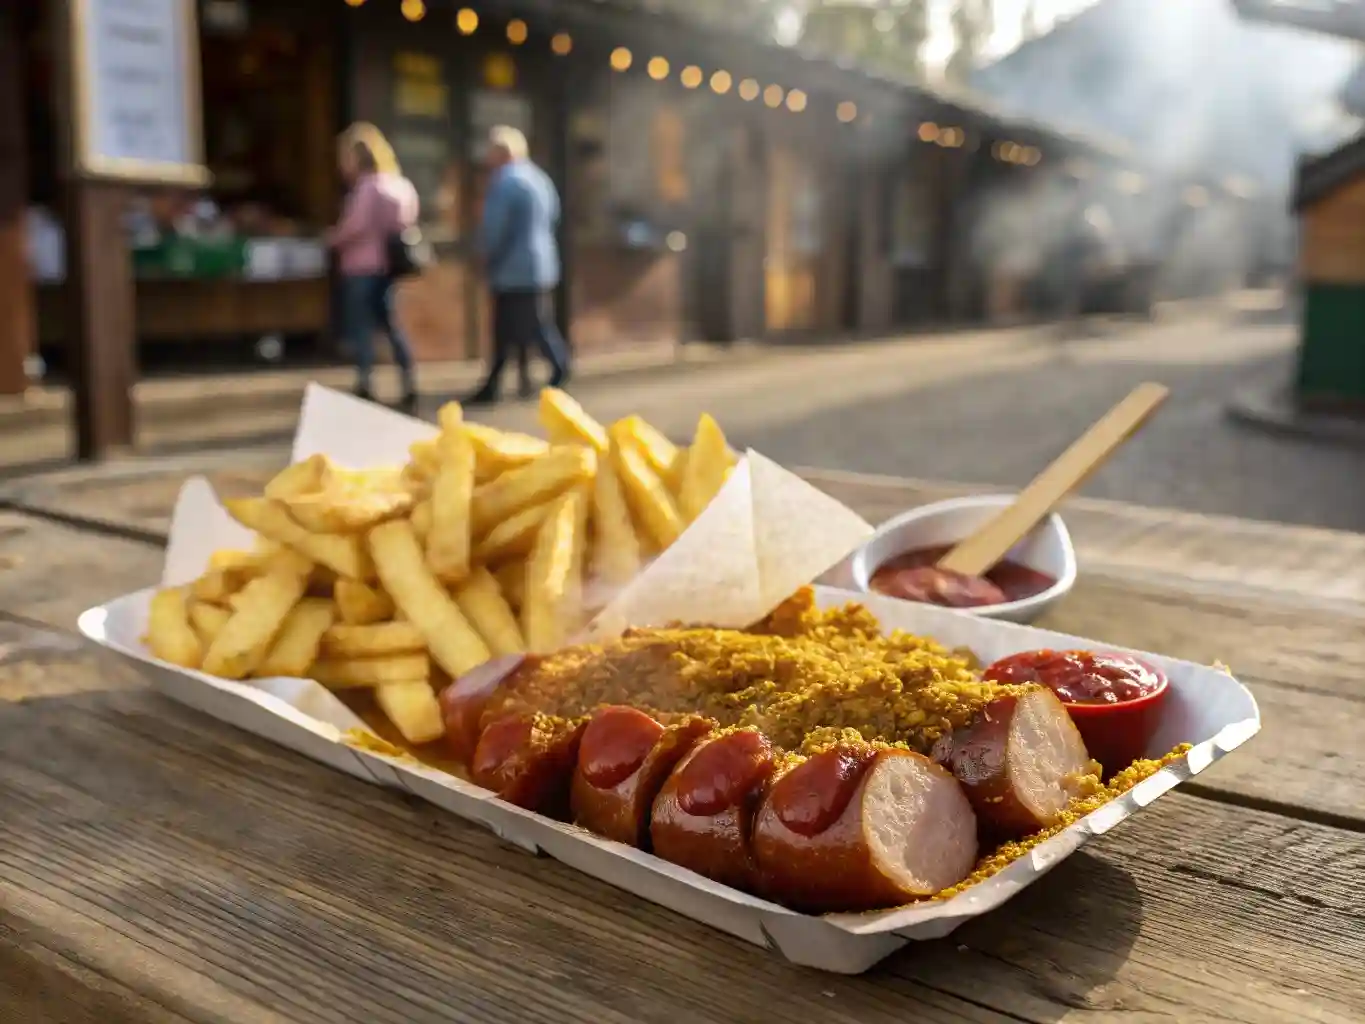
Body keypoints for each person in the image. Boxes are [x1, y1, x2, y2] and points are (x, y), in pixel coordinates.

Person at [467, 125, 570, 405]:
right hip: (541, 262)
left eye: (490, 152)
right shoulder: (539, 179)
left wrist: (484, 254)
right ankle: (500, 381)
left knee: (520, 325)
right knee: (528, 322)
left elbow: (495, 227)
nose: (487, 158)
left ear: (501, 153)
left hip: (513, 267)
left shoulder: (505, 181)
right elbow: (554, 216)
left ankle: (559, 366)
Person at [327, 122, 420, 411]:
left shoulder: (366, 187)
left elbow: (356, 226)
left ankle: (365, 381)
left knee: (362, 327)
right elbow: (407, 220)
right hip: (387, 267)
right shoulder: (399, 184)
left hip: (361, 266)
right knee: (391, 324)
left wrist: (332, 238)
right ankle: (408, 379)